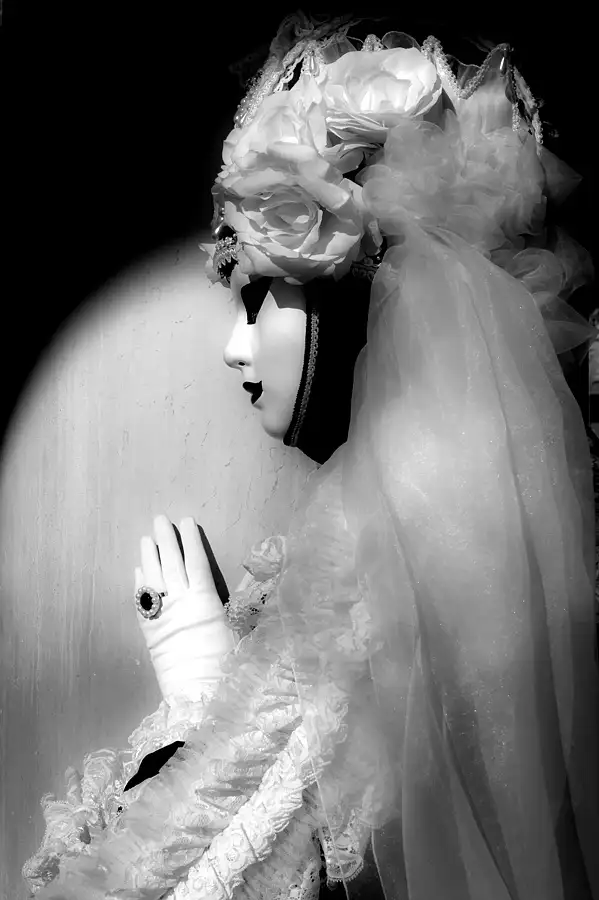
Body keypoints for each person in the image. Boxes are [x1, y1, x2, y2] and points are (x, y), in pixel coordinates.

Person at [23, 11, 599, 899]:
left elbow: (227, 879)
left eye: (259, 301)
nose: (235, 349)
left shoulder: (387, 552)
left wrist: (199, 689)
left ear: (357, 295)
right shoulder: (432, 514)